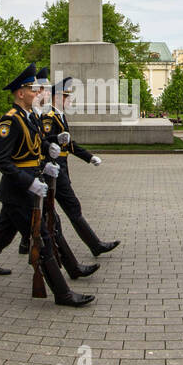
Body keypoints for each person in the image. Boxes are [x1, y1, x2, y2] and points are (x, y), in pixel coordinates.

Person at [0, 65, 92, 307]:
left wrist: (48, 153)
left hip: (26, 189)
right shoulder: (10, 120)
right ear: (20, 93)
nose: (38, 92)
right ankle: (63, 294)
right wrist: (30, 181)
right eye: (33, 89)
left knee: (0, 238)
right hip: (19, 191)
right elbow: (1, 160)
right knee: (43, 238)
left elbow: (35, 146)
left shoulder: (31, 117)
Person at [43, 76, 121, 259]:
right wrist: (56, 140)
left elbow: (69, 144)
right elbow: (44, 141)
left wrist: (89, 157)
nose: (68, 100)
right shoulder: (49, 117)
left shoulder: (60, 116)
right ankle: (94, 245)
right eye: (65, 96)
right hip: (53, 169)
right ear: (55, 98)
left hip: (61, 168)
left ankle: (94, 245)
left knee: (56, 210)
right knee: (71, 207)